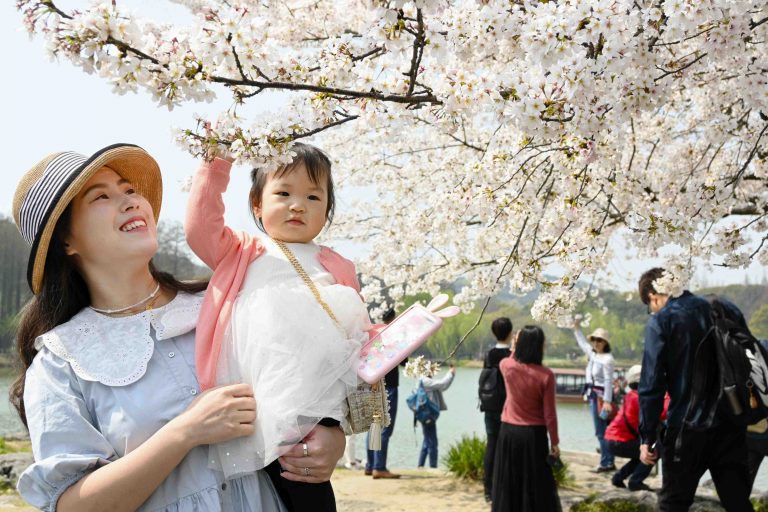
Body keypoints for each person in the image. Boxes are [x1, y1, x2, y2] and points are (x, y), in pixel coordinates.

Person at [10, 144, 345, 512]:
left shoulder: (228, 304)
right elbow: (71, 505)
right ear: (66, 240)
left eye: (130, 190)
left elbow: (306, 383)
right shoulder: (61, 361)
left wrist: (330, 439)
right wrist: (185, 431)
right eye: (102, 196)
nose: (131, 201)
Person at [185, 143, 380, 512]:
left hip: (314, 405)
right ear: (257, 204)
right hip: (256, 401)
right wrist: (215, 163)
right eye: (284, 193)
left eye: (313, 196)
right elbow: (200, 227)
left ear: (327, 209)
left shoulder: (336, 265)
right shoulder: (243, 251)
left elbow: (357, 331)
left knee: (307, 488)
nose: (298, 205)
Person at [637, 268, 753, 511]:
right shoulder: (725, 308)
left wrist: (647, 437)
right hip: (732, 422)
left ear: (653, 296)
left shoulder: (663, 319)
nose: (652, 311)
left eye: (650, 306)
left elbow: (651, 384)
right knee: (738, 503)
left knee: (673, 503)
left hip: (687, 427)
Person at [493, 325, 560, 512]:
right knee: (535, 485)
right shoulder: (546, 375)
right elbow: (550, 414)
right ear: (539, 346)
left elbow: (510, 358)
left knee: (509, 482)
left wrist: (515, 346)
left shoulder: (507, 366)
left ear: (519, 343)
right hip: (534, 435)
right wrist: (554, 443)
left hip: (509, 433)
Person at [605, 364, 669, 491]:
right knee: (654, 451)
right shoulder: (641, 398)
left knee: (640, 454)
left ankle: (618, 477)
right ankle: (636, 481)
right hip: (620, 441)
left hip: (612, 440)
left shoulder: (631, 395)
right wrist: (668, 395)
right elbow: (662, 413)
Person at [572, 318, 616, 472]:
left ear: (605, 343)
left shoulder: (607, 359)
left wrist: (607, 401)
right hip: (593, 396)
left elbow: (609, 381)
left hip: (601, 398)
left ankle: (606, 462)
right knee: (603, 431)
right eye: (595, 340)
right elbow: (582, 343)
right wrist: (576, 328)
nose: (596, 343)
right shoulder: (593, 354)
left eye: (600, 340)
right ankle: (608, 460)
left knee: (601, 431)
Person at [364, 307, 404, 479]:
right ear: (394, 318)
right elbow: (404, 360)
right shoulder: (394, 336)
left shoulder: (375, 334)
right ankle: (379, 467)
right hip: (390, 386)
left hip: (373, 383)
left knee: (373, 426)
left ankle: (370, 465)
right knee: (385, 427)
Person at [481, 317, 513, 503]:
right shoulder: (512, 355)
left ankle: (488, 488)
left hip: (489, 406)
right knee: (506, 447)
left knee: (491, 444)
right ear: (509, 333)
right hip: (508, 407)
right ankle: (504, 486)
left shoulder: (489, 354)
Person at [417, 365, 456, 468]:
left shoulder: (422, 381)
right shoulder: (426, 381)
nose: (433, 372)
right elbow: (443, 384)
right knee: (433, 443)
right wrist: (451, 373)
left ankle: (420, 466)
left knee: (427, 441)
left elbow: (440, 387)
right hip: (428, 416)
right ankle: (433, 468)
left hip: (425, 415)